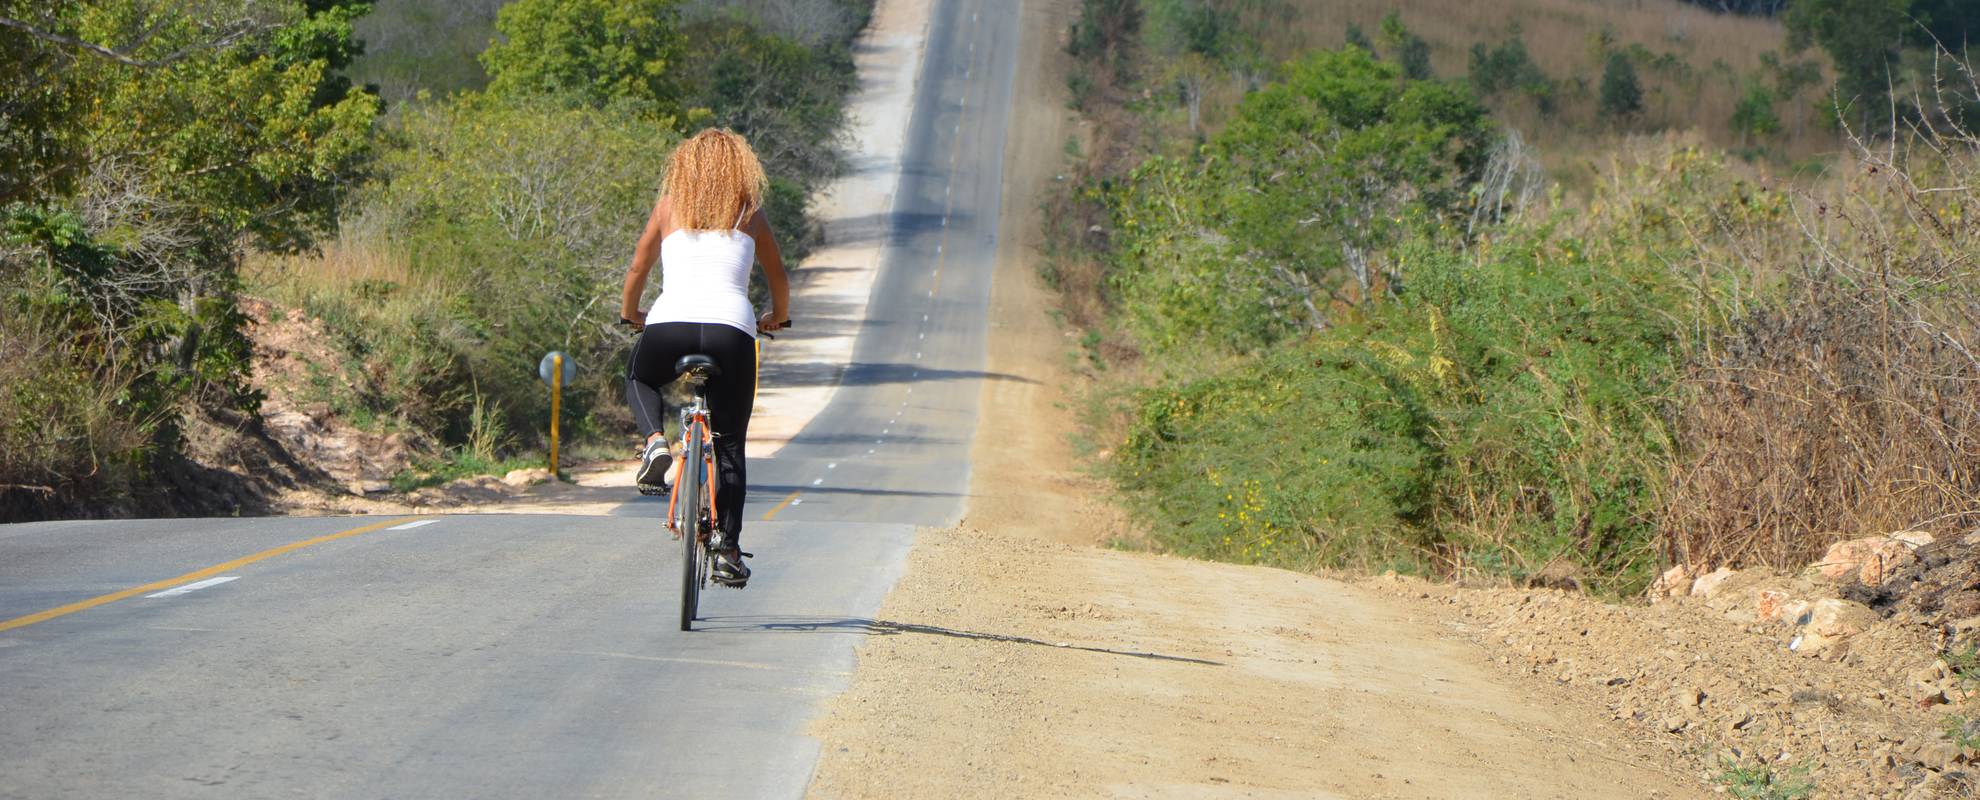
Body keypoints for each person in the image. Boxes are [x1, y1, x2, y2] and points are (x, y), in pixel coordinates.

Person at [620, 128, 791, 588]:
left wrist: (629, 312)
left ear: (684, 167)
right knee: (731, 443)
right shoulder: (749, 210)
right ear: (741, 168)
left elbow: (638, 267)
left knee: (638, 376)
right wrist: (778, 316)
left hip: (668, 323)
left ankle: (656, 441)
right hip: (732, 329)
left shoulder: (669, 206)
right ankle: (728, 551)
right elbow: (777, 275)